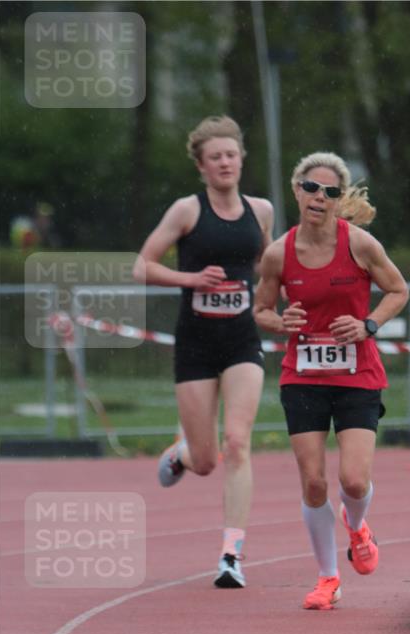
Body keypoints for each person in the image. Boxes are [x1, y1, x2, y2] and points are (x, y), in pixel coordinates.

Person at [253, 152, 409, 610]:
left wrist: (369, 325)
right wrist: (279, 322)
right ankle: (327, 578)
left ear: (340, 201)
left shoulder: (360, 244)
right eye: (311, 187)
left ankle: (358, 527)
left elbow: (398, 290)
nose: (319, 197)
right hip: (303, 375)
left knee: (355, 482)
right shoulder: (279, 252)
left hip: (357, 372)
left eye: (331, 191)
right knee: (314, 483)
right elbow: (260, 309)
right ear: (297, 190)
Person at [134, 116, 274, 588]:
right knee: (208, 458)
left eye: (231, 154)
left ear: (241, 159)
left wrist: (280, 303)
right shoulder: (186, 211)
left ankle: (231, 555)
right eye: (215, 157)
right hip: (194, 344)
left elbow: (268, 266)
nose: (225, 163)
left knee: (238, 442)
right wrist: (189, 279)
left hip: (241, 342)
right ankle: (182, 453)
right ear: (201, 166)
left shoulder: (261, 210)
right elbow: (143, 266)